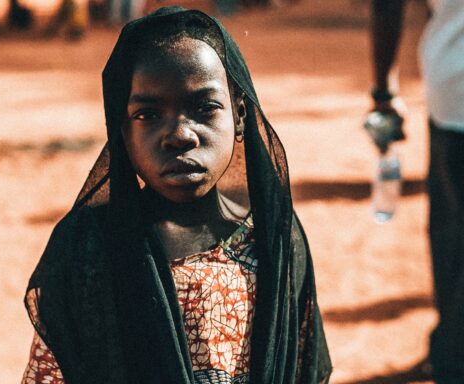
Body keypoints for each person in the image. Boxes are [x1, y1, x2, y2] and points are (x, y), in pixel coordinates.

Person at [21, 6, 332, 384]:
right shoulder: (88, 252)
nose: (180, 135)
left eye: (204, 108)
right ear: (122, 131)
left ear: (239, 116)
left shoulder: (273, 242)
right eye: (148, 115)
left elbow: (304, 367)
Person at [369, 1, 464, 382]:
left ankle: (454, 353)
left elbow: (388, 5)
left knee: (454, 234)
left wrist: (383, 91)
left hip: (454, 88)